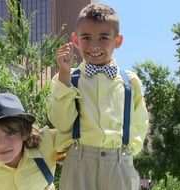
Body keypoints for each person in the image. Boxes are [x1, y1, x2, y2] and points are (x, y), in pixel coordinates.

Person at [48, 3, 149, 190]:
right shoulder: (66, 79)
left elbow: (139, 123)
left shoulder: (130, 81)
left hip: (119, 163)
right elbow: (62, 123)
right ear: (76, 40)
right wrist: (64, 75)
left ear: (117, 41)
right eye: (86, 37)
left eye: (103, 37)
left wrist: (125, 153)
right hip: (79, 162)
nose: (94, 45)